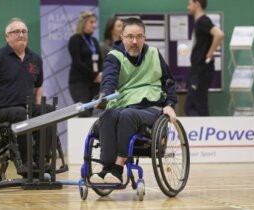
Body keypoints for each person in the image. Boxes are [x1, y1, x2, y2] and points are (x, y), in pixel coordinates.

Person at [90, 17, 177, 184]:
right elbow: (109, 79)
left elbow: (169, 82)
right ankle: (106, 169)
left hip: (150, 109)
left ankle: (118, 169)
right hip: (122, 105)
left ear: (144, 37)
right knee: (108, 115)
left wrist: (170, 104)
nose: (135, 41)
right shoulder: (114, 56)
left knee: (128, 114)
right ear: (122, 37)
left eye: (139, 36)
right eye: (130, 36)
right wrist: (105, 95)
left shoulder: (154, 54)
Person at [0, 17, 53, 176]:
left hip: (26, 108)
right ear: (7, 37)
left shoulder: (35, 59)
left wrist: (37, 110)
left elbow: (38, 86)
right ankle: (26, 163)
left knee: (47, 110)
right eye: (16, 32)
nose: (21, 35)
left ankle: (40, 160)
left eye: (24, 31)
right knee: (20, 113)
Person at [184, 0, 224, 116]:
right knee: (193, 106)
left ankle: (203, 132)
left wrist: (210, 53)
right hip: (197, 69)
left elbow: (219, 34)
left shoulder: (203, 21)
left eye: (189, 3)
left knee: (194, 106)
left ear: (197, 4)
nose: (188, 7)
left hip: (201, 70)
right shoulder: (199, 22)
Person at [68, 11, 103, 117]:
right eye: (91, 22)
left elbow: (100, 61)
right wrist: (95, 75)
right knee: (84, 112)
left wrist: (100, 74)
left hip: (95, 83)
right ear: (83, 23)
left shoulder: (94, 41)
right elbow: (77, 62)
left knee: (96, 112)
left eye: (95, 22)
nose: (94, 25)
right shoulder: (75, 39)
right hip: (79, 82)